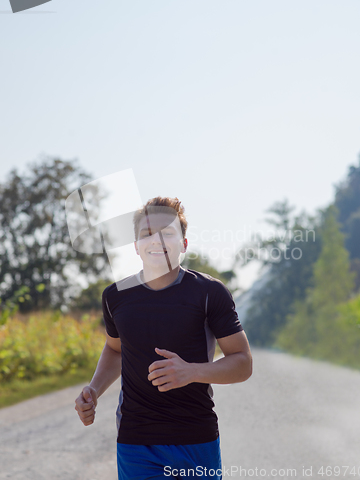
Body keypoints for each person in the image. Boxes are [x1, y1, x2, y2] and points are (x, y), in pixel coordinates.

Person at [75, 196, 253, 480]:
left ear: (183, 243)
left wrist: (191, 372)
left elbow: (242, 362)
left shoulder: (209, 292)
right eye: (147, 233)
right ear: (136, 246)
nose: (156, 240)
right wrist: (94, 390)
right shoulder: (115, 296)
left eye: (167, 232)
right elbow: (115, 349)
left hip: (196, 438)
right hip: (136, 441)